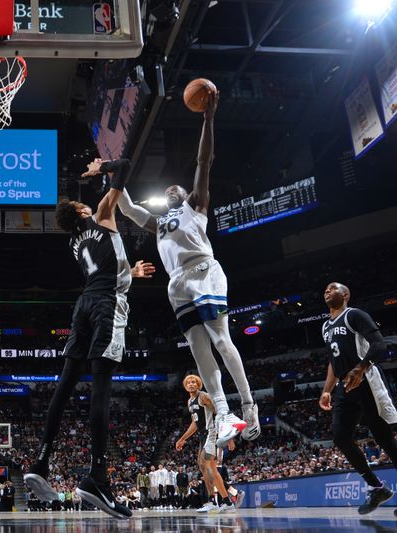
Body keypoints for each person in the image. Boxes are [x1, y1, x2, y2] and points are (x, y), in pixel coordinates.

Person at [117, 91, 258, 446]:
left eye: (174, 188)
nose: (170, 190)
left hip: (203, 271)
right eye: (167, 191)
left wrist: (208, 119)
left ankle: (249, 404)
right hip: (176, 283)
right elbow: (130, 210)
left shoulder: (196, 204)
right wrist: (112, 177)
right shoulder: (160, 221)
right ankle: (225, 413)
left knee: (221, 340)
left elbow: (203, 162)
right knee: (197, 349)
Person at [23, 156, 155, 520]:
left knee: (65, 384)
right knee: (102, 388)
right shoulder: (100, 214)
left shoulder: (74, 242)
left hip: (83, 305)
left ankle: (41, 461)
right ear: (82, 209)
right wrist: (104, 169)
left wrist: (131, 272)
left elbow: (106, 265)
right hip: (107, 305)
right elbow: (126, 165)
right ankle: (98, 477)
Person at [319, 282, 397, 515]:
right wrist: (326, 390)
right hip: (345, 386)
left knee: (384, 436)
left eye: (333, 288)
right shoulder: (325, 326)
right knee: (341, 437)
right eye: (325, 289)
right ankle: (376, 487)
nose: (327, 290)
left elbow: (379, 344)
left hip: (367, 381)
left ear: (345, 295)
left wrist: (361, 368)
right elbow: (334, 362)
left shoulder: (355, 315)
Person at [175, 374, 235, 513]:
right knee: (210, 469)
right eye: (188, 382)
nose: (191, 384)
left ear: (199, 384)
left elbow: (220, 413)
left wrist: (228, 436)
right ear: (185, 386)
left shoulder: (204, 397)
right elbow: (195, 424)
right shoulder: (190, 401)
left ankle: (212, 501)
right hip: (203, 435)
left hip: (212, 432)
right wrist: (183, 438)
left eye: (194, 382)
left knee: (204, 464)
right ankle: (226, 501)